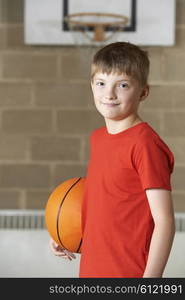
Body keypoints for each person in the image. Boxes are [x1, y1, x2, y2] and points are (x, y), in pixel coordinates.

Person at [50, 42, 175, 278]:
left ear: (143, 92)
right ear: (92, 87)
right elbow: (105, 210)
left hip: (129, 274)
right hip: (92, 272)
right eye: (101, 83)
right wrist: (65, 233)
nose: (109, 94)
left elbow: (165, 222)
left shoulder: (144, 144)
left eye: (123, 85)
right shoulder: (98, 139)